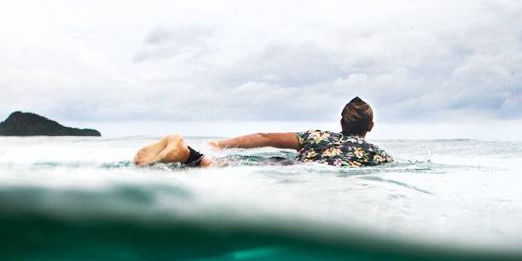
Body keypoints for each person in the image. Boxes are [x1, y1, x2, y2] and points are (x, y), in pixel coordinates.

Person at [132, 97, 393, 168]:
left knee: (226, 166)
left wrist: (221, 143)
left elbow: (264, 138)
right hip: (307, 180)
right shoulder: (379, 156)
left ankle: (188, 152)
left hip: (285, 165)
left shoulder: (316, 137)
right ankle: (185, 155)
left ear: (341, 123)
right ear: (370, 127)